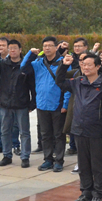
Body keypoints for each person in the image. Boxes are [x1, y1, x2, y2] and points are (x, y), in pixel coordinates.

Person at [56, 53, 102, 201]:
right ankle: (86, 192)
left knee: (97, 165)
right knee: (83, 164)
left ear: (98, 66)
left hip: (96, 131)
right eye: (83, 64)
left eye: (89, 64)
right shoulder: (78, 82)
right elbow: (59, 82)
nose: (86, 67)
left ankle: (98, 194)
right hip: (79, 129)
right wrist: (64, 65)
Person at [21, 37, 71, 172]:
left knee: (59, 135)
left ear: (56, 47)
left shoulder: (63, 62)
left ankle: (59, 160)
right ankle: (48, 159)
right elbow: (23, 67)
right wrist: (31, 54)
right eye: (45, 46)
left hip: (57, 104)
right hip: (42, 104)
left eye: (50, 45)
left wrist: (65, 104)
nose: (47, 48)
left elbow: (68, 85)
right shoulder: (38, 63)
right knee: (45, 134)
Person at [0, 39, 36, 168]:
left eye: (15, 48)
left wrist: (33, 103)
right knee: (5, 131)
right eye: (10, 48)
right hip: (5, 103)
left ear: (20, 50)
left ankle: (25, 157)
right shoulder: (3, 64)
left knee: (24, 132)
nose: (12, 50)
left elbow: (32, 85)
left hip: (21, 104)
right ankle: (7, 155)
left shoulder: (26, 66)